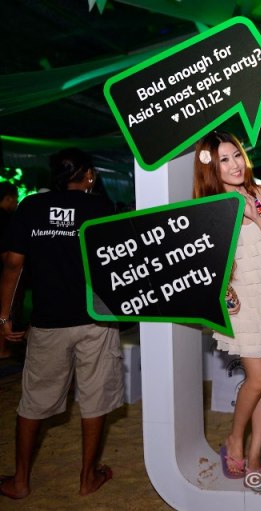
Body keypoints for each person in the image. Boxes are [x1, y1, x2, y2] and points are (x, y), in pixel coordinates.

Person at [0, 148, 122, 499]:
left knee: (33, 400)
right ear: (89, 176)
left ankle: (20, 482)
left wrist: (4, 316)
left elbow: (13, 264)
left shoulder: (31, 207)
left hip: (48, 321)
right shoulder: (101, 208)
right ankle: (87, 479)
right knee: (95, 398)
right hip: (96, 319)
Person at [192, 131, 261, 488]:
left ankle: (255, 454)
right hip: (241, 303)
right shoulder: (209, 207)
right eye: (224, 159)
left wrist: (257, 218)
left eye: (236, 155)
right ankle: (235, 439)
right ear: (211, 168)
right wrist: (224, 292)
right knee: (259, 378)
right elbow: (207, 264)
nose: (235, 164)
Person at [0, 181, 19, 359]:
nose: (17, 202)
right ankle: (2, 351)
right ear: (8, 198)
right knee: (3, 311)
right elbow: (9, 257)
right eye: (16, 199)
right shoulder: (7, 220)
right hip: (2, 273)